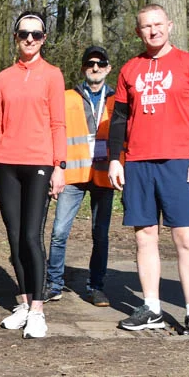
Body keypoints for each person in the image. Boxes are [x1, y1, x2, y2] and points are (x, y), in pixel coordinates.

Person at [107, 4, 189, 335]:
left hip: (179, 161)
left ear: (169, 25)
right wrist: (115, 158)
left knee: (184, 236)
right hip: (138, 161)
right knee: (145, 237)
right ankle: (151, 307)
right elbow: (120, 118)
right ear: (138, 31)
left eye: (158, 24)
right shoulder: (129, 69)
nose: (152, 31)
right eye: (145, 26)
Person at [0, 12, 66, 339]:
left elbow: (59, 123)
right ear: (15, 37)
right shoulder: (3, 78)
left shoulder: (53, 75)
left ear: (44, 38)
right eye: (24, 33)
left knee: (32, 236)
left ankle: (39, 310)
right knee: (14, 238)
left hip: (40, 164)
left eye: (36, 34)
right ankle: (25, 303)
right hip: (6, 165)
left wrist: (60, 166)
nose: (30, 39)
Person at [46, 46, 116, 307]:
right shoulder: (66, 97)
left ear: (108, 68)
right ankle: (54, 284)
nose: (95, 68)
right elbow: (55, 133)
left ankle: (96, 287)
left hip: (103, 175)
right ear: (83, 68)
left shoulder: (117, 99)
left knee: (101, 234)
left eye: (100, 63)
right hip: (72, 174)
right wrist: (56, 168)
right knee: (59, 232)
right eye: (90, 64)